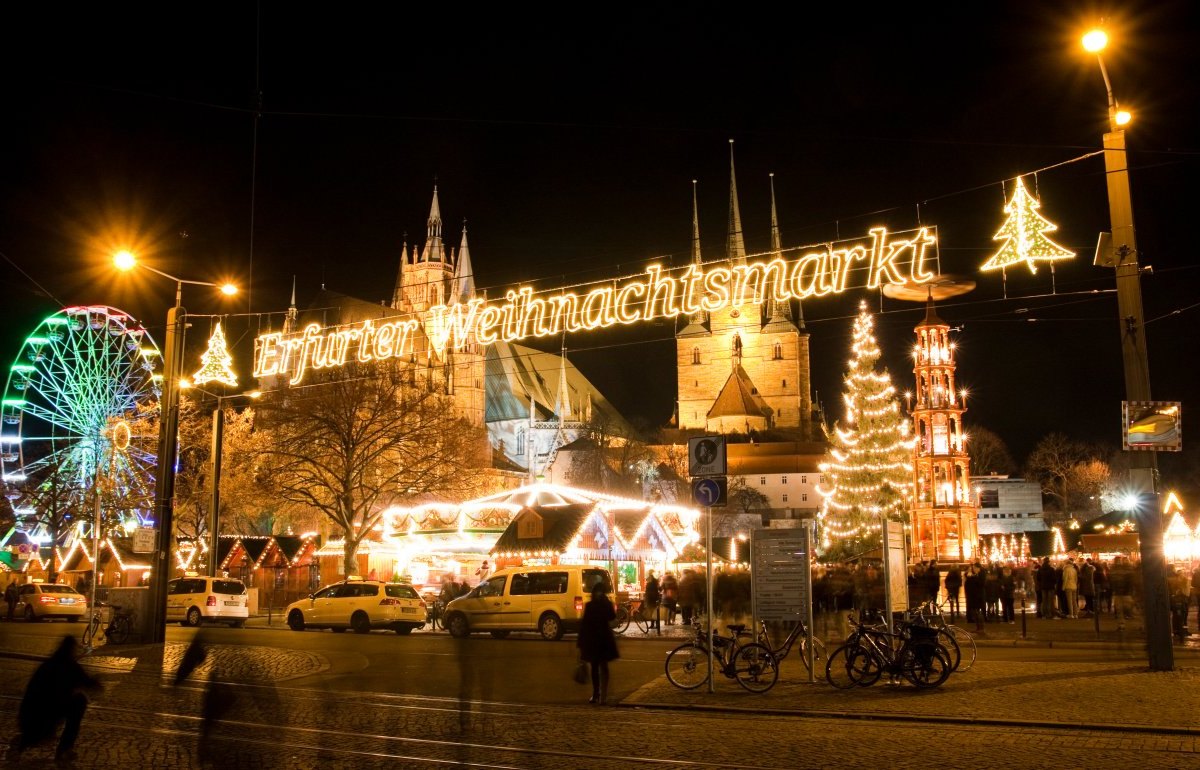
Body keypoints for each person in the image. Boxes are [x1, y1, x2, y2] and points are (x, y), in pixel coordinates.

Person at [9, 635, 102, 762]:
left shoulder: (49, 664)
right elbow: (88, 682)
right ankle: (64, 748)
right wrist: (97, 682)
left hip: (35, 710)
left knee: (37, 732)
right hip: (47, 709)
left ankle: (24, 743)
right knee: (79, 702)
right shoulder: (69, 665)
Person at [576, 584, 618, 705]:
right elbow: (612, 617)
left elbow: (584, 625)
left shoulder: (591, 605)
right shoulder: (602, 604)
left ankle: (598, 694)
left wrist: (580, 644)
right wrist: (580, 643)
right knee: (599, 667)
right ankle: (600, 695)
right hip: (602, 640)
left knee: (598, 667)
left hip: (595, 640)